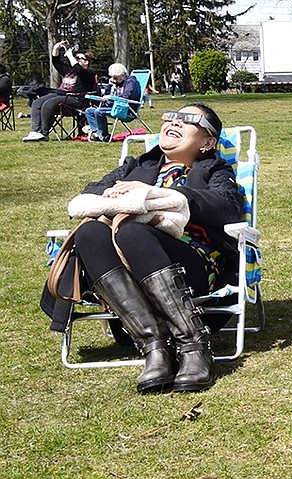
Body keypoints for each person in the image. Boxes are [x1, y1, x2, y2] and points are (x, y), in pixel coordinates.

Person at [42, 103, 242, 394]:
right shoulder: (137, 167)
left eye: (188, 120)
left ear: (209, 142)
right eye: (171, 117)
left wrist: (160, 195)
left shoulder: (214, 170)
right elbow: (89, 193)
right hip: (126, 268)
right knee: (89, 232)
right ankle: (155, 348)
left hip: (190, 264)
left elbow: (227, 208)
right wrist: (116, 192)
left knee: (133, 230)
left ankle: (192, 347)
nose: (174, 122)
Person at [22, 41, 97, 142]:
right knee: (37, 102)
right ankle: (35, 131)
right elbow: (56, 62)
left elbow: (79, 70)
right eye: (76, 58)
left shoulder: (89, 73)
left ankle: (44, 133)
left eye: (79, 58)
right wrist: (56, 48)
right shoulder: (69, 71)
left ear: (87, 62)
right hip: (61, 95)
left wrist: (70, 56)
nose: (76, 59)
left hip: (77, 100)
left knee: (49, 104)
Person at [83, 63, 142, 142]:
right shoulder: (117, 83)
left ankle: (104, 136)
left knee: (99, 111)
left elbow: (128, 96)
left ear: (122, 75)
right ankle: (97, 133)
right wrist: (109, 86)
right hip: (114, 108)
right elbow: (108, 96)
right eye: (112, 77)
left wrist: (112, 98)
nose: (114, 80)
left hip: (127, 111)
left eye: (115, 78)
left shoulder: (131, 82)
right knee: (89, 111)